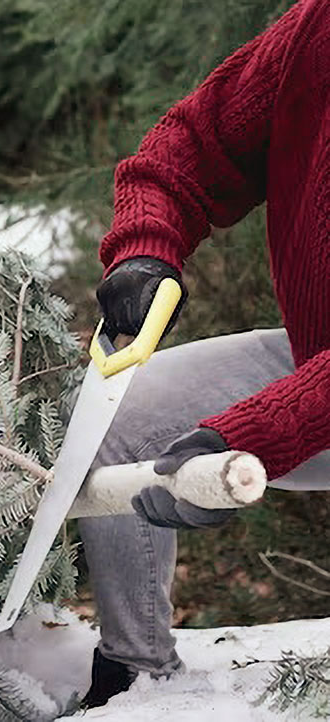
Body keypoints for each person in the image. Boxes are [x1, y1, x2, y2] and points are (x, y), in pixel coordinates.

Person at [79, 0, 330, 707]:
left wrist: (250, 436)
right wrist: (145, 249)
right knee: (119, 416)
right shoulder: (318, 31)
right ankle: (134, 680)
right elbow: (192, 143)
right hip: (316, 366)